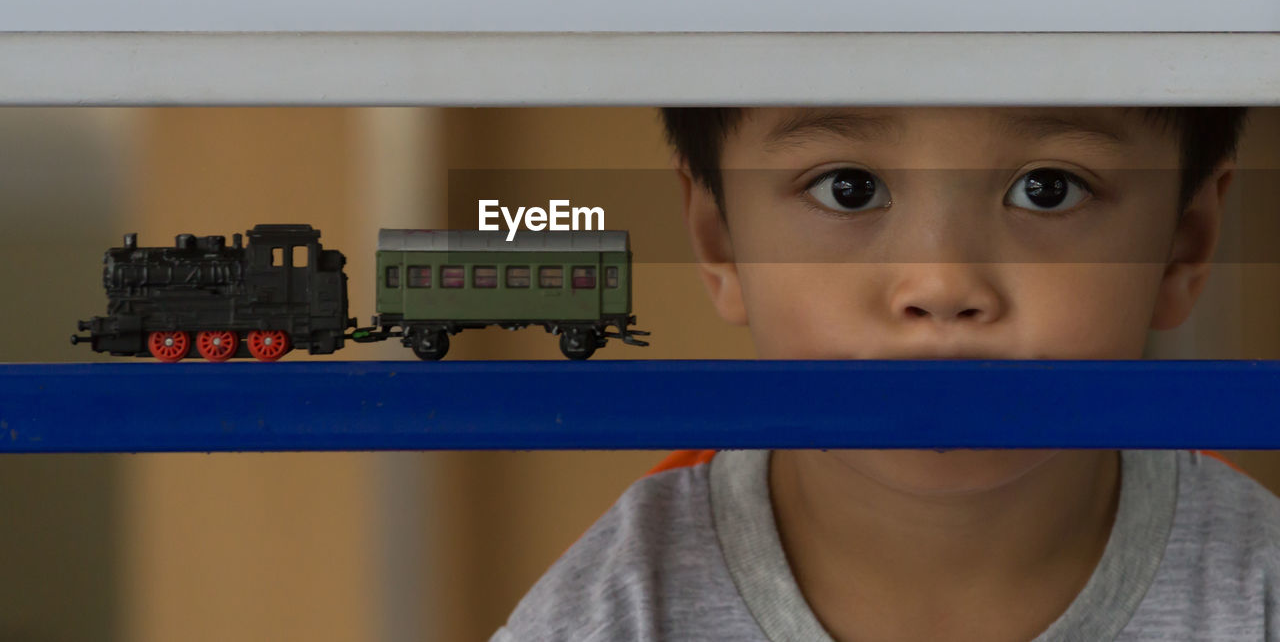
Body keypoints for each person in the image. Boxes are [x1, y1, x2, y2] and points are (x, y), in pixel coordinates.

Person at [491, 106, 1278, 642]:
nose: (940, 283)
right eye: (849, 188)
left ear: (1185, 243)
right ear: (719, 240)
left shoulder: (1257, 592)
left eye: (1047, 189)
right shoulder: (620, 612)